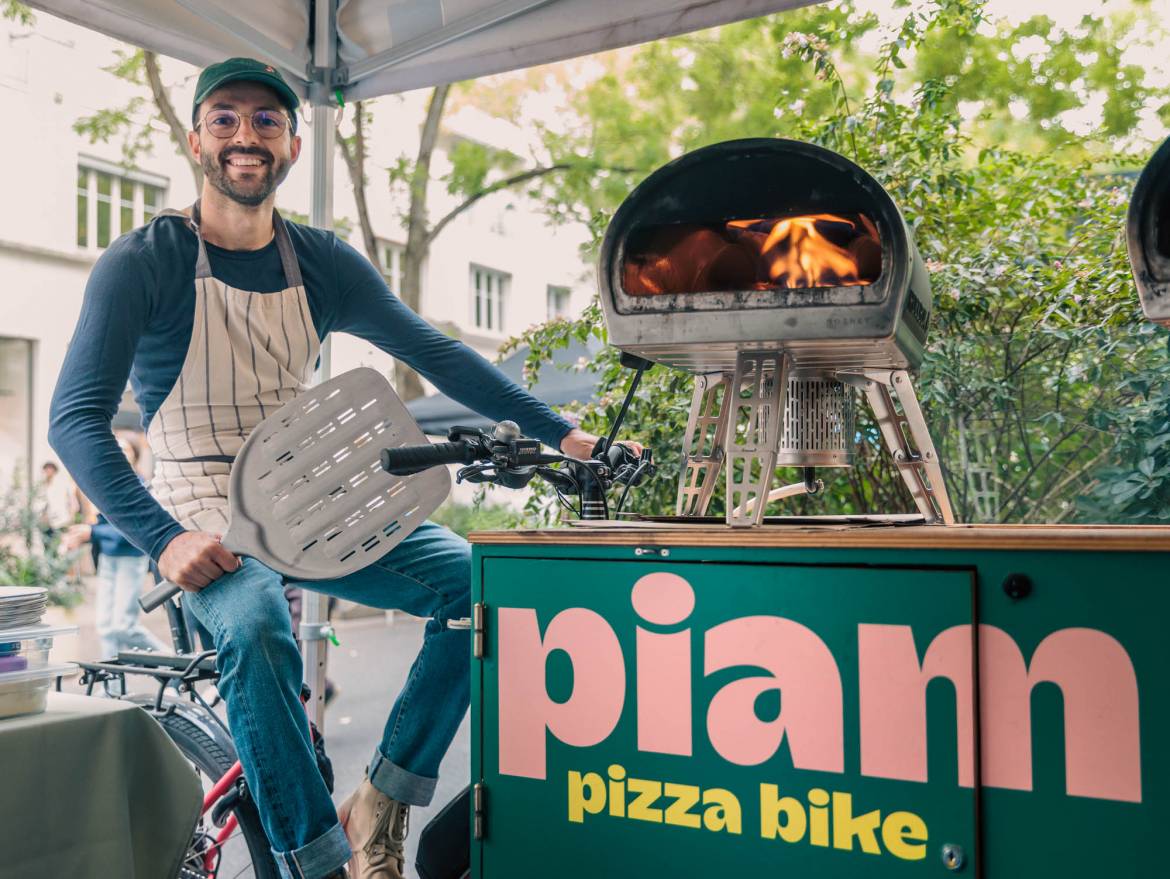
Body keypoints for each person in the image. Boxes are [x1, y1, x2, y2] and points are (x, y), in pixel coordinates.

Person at [48, 57, 640, 879]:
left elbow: (436, 352)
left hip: (310, 491)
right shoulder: (144, 260)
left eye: (267, 120)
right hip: (200, 511)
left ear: (293, 146)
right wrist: (163, 538)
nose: (245, 135)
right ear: (196, 141)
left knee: (476, 585)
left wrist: (564, 434)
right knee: (256, 624)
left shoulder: (320, 262)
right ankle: (314, 862)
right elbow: (73, 417)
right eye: (225, 118)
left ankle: (381, 805)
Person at [61, 435, 167, 664]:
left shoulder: (140, 486)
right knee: (106, 627)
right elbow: (104, 525)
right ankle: (113, 681)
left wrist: (91, 533)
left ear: (135, 455)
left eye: (125, 449)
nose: (119, 452)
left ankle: (175, 661)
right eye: (115, 447)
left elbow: (134, 529)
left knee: (123, 626)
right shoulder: (109, 484)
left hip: (131, 558)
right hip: (108, 559)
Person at [37, 461, 76, 548]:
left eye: (50, 469)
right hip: (46, 523)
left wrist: (71, 517)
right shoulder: (41, 485)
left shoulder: (63, 484)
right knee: (47, 547)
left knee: (61, 546)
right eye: (46, 470)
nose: (48, 472)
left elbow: (72, 501)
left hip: (61, 520)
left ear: (54, 471)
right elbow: (40, 504)